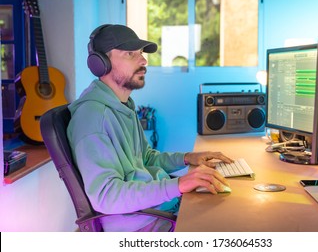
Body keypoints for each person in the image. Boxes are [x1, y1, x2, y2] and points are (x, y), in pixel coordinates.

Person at [67, 24, 233, 232]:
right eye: (130, 54)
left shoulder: (122, 106)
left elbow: (145, 158)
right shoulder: (93, 118)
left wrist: (187, 158)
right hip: (139, 224)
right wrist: (178, 185)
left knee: (227, 210)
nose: (144, 61)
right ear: (100, 63)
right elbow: (106, 196)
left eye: (141, 54)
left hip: (155, 210)